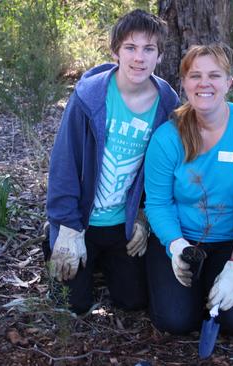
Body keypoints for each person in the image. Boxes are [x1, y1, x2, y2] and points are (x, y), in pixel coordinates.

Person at [45, 9, 180, 315]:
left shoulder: (167, 104)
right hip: (80, 220)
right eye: (130, 47)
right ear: (116, 50)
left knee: (132, 302)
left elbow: (161, 169)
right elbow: (64, 164)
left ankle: (105, 260)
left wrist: (144, 216)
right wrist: (66, 225)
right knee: (72, 305)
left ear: (159, 56)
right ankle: (52, 238)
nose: (139, 58)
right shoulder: (89, 98)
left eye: (149, 49)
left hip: (123, 222)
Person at [144, 43, 233, 337]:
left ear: (229, 83)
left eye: (214, 76)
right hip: (181, 239)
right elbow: (158, 203)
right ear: (185, 83)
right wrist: (175, 244)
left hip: (231, 239)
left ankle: (218, 282)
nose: (204, 83)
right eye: (195, 75)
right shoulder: (167, 137)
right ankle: (188, 290)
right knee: (175, 321)